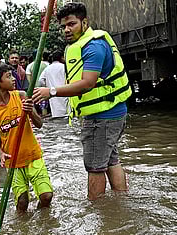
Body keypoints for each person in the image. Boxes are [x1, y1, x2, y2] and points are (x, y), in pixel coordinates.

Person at [32, 2, 132, 200]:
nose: (67, 30)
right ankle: (120, 204)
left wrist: (50, 91)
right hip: (111, 112)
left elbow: (87, 83)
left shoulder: (93, 47)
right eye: (63, 26)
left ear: (84, 22)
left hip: (102, 116)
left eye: (72, 24)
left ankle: (97, 211)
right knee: (111, 160)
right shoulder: (87, 43)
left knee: (95, 167)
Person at [0, 63, 53, 215]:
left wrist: (30, 112)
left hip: (33, 155)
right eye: (8, 77)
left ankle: (43, 219)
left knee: (46, 196)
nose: (13, 79)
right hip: (13, 161)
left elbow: (39, 124)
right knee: (22, 202)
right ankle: (22, 226)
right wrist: (1, 154)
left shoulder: (21, 96)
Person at [38, 50, 69, 118]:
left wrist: (47, 86)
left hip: (53, 94)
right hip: (65, 92)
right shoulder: (64, 67)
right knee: (67, 114)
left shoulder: (47, 68)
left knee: (56, 115)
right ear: (62, 57)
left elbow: (40, 80)